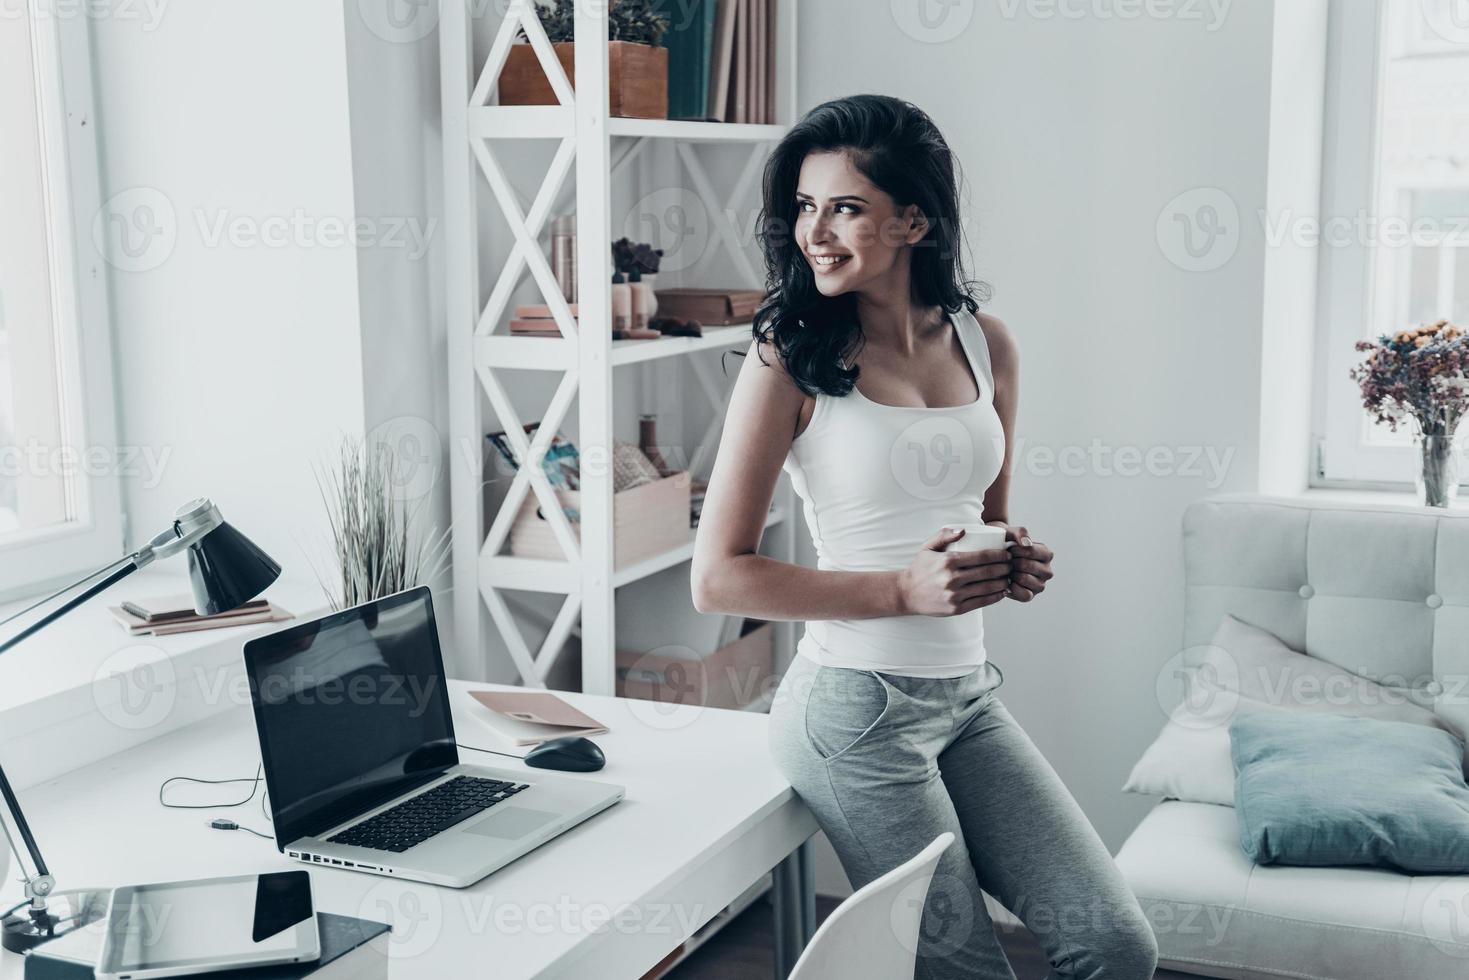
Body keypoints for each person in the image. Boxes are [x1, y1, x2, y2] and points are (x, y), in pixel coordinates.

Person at [690, 94, 1159, 979]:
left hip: (966, 700)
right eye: (801, 207)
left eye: (844, 208)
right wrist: (898, 592)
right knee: (962, 969)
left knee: (1113, 943)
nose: (812, 233)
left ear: (913, 219)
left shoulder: (989, 346)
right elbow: (718, 578)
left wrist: (1011, 559)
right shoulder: (786, 358)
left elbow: (980, 517)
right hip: (854, 712)